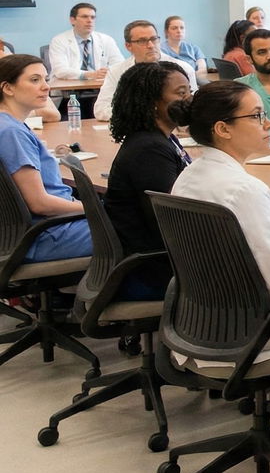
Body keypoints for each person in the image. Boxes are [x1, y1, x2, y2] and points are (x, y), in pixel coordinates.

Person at [170, 81, 270, 360]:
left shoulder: (189, 175)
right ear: (223, 129)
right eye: (258, 115)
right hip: (260, 324)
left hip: (208, 317)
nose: (268, 124)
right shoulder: (245, 190)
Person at [103, 62, 191, 299]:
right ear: (153, 102)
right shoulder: (149, 149)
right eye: (181, 93)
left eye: (189, 91)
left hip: (154, 257)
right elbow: (171, 218)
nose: (190, 99)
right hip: (152, 269)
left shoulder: (162, 139)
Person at [0, 55, 94, 267]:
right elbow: (39, 203)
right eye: (35, 80)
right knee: (138, 227)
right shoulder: (11, 132)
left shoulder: (8, 125)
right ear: (8, 88)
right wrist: (93, 207)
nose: (46, 87)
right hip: (46, 234)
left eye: (45, 79)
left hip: (34, 231)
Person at [93, 20, 197, 122]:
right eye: (142, 41)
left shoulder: (183, 69)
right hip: (133, 128)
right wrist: (142, 115)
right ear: (128, 46)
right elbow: (101, 110)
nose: (151, 45)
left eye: (154, 39)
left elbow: (194, 107)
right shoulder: (117, 71)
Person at [48, 2, 122, 80]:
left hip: (99, 84)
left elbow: (120, 65)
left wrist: (108, 71)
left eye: (92, 17)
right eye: (84, 17)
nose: (89, 20)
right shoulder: (59, 40)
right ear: (72, 20)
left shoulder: (106, 40)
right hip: (69, 85)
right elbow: (60, 70)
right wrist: (88, 74)